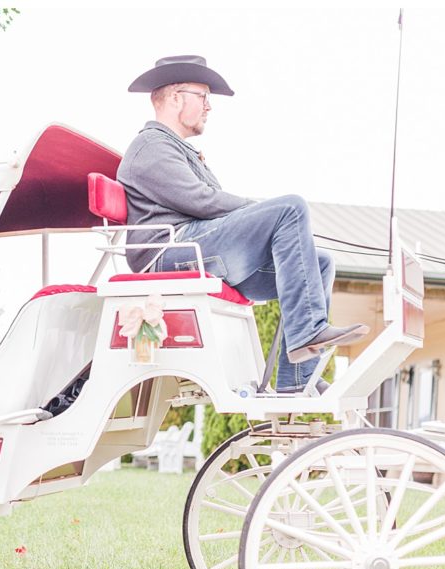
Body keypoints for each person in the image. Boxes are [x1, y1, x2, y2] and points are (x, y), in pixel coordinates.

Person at [117, 55, 369, 393]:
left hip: (196, 245)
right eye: (203, 96)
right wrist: (263, 211)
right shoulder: (150, 146)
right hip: (172, 250)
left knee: (320, 263)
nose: (209, 107)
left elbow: (209, 205)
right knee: (290, 207)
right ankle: (306, 332)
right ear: (176, 97)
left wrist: (263, 217)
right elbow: (203, 202)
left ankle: (298, 379)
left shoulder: (178, 150)